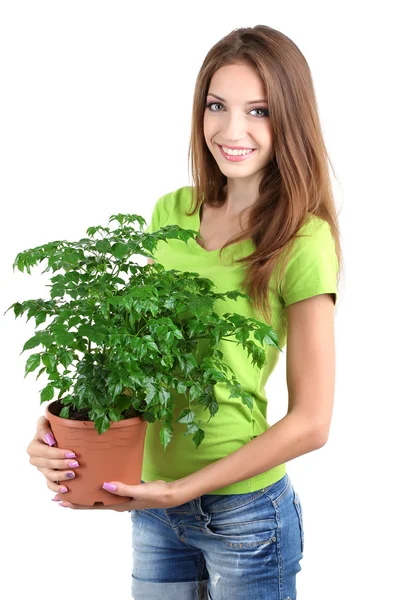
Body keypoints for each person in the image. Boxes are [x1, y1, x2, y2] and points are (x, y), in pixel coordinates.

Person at [26, 24, 342, 600]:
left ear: (289, 120)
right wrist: (60, 430)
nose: (232, 129)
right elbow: (137, 360)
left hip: (246, 517)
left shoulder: (302, 239)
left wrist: (187, 487)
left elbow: (312, 422)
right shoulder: (170, 212)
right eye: (217, 106)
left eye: (259, 110)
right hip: (153, 506)